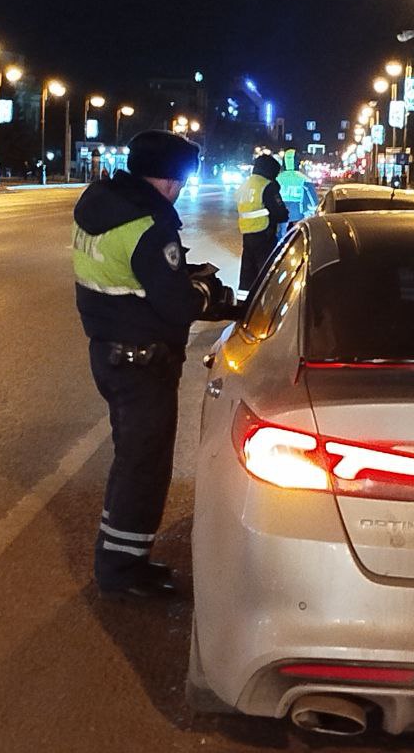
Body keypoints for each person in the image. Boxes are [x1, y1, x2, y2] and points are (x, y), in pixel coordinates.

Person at [72, 129, 237, 600]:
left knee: (131, 462)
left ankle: (119, 559)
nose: (181, 189)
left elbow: (135, 276)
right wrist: (205, 289)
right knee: (143, 468)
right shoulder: (149, 225)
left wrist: (178, 273)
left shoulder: (100, 204)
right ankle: (121, 572)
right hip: (142, 362)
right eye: (180, 179)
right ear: (166, 177)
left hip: (109, 351)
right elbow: (176, 306)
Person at [236, 153, 290, 291]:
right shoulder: (267, 186)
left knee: (247, 275)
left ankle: (243, 305)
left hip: (247, 235)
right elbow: (281, 214)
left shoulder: (245, 185)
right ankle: (265, 305)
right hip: (264, 235)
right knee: (266, 275)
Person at [276, 149, 318, 226]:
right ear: (298, 162)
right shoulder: (304, 179)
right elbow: (313, 202)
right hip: (298, 219)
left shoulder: (277, 179)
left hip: (279, 219)